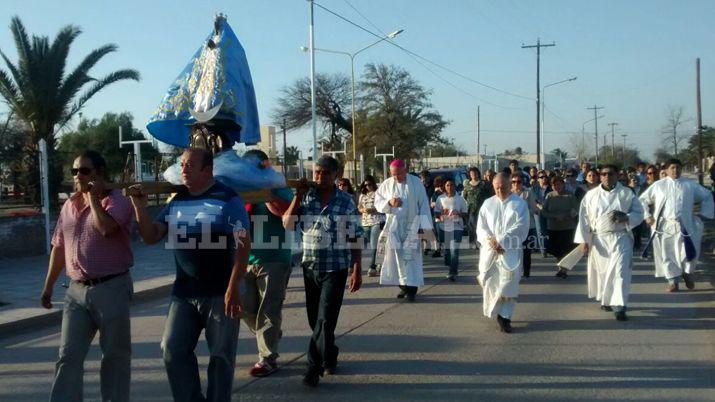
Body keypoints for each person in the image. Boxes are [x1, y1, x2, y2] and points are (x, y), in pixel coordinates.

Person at [129, 148, 250, 402]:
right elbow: (151, 236)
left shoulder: (227, 199)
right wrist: (140, 208)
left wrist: (234, 286)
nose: (183, 169)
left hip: (220, 293)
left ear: (208, 170)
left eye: (190, 165)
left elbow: (243, 245)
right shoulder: (177, 202)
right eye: (182, 164)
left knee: (220, 357)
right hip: (184, 293)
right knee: (172, 349)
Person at [41, 151, 134, 402]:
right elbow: (59, 247)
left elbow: (105, 228)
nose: (77, 176)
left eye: (84, 170)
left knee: (114, 356)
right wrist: (48, 286)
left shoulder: (118, 201)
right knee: (68, 356)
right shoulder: (69, 206)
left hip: (111, 287)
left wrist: (93, 197)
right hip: (76, 291)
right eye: (74, 171)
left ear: (99, 173)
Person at [283, 155, 363, 387]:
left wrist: (356, 268)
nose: (320, 177)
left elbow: (355, 236)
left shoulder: (346, 201)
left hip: (335, 269)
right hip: (310, 267)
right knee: (314, 321)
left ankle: (312, 368)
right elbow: (287, 224)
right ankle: (330, 353)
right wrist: (297, 196)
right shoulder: (306, 198)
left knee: (325, 320)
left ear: (336, 175)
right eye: (317, 172)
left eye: (326, 173)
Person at [238, 150, 294, 378]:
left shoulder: (277, 184)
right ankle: (271, 333)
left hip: (274, 258)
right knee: (243, 307)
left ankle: (267, 358)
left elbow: (288, 216)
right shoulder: (239, 188)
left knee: (269, 309)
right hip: (245, 258)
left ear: (264, 165)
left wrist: (269, 196)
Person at [574, 165, 644, 321]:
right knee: (604, 273)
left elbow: (639, 213)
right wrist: (584, 240)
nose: (606, 176)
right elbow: (584, 219)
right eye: (603, 174)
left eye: (610, 174)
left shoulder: (626, 193)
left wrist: (626, 217)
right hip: (599, 239)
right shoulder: (591, 195)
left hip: (621, 237)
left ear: (617, 175)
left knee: (620, 272)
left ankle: (619, 305)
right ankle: (607, 300)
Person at [639, 158, 714, 292]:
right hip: (665, 226)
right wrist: (647, 216)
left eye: (678, 167)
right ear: (666, 170)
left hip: (686, 224)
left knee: (688, 252)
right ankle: (673, 281)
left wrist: (703, 213)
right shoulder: (659, 185)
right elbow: (642, 200)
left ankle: (687, 273)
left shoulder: (690, 185)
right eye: (672, 168)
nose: (675, 170)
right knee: (668, 254)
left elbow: (707, 196)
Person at [476, 172, 530, 333]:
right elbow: (481, 226)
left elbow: (521, 226)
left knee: (508, 284)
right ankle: (496, 309)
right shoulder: (487, 204)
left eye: (503, 187)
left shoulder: (519, 204)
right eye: (497, 187)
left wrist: (503, 241)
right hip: (490, 251)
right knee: (490, 282)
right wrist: (490, 240)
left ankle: (505, 317)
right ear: (493, 186)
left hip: (510, 251)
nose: (500, 190)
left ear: (510, 185)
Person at [374, 159, 433, 302]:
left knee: (410, 257)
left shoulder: (416, 183)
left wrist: (424, 229)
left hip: (412, 225)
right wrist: (389, 202)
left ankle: (411, 289)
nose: (396, 177)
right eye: (393, 174)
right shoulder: (387, 184)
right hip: (394, 226)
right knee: (396, 257)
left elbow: (424, 205)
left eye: (398, 174)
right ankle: (403, 286)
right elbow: (378, 201)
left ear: (404, 171)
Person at [541, 175, 579, 278]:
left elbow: (576, 210)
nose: (556, 186)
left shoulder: (570, 196)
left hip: (567, 227)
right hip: (553, 227)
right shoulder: (549, 196)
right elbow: (544, 212)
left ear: (563, 184)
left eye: (559, 184)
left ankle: (563, 270)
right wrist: (555, 216)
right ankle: (561, 267)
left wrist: (566, 216)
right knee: (557, 251)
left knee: (566, 250)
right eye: (554, 184)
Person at [434, 178, 469, 281]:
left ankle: (452, 272)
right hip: (444, 227)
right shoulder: (440, 198)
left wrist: (458, 213)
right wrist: (441, 214)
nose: (450, 187)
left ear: (454, 186)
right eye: (447, 185)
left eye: (451, 185)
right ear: (444, 187)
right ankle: (450, 264)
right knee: (447, 251)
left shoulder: (460, 199)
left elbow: (465, 213)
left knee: (454, 250)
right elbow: (436, 212)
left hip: (457, 227)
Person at [511, 172, 538, 278]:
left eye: (518, 182)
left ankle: (526, 272)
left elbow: (534, 209)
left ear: (522, 182)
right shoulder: (508, 193)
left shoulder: (528, 193)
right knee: (513, 250)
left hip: (527, 226)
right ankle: (514, 271)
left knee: (526, 250)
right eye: (513, 182)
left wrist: (523, 211)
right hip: (512, 227)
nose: (516, 184)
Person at [358, 175, 385, 277]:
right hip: (365, 222)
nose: (367, 187)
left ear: (373, 183)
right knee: (375, 245)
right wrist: (362, 210)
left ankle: (372, 266)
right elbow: (359, 206)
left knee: (374, 245)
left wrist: (373, 210)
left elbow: (382, 207)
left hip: (376, 221)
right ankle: (380, 262)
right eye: (365, 185)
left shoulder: (378, 194)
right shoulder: (362, 195)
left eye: (369, 184)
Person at [461, 167, 486, 248]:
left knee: (480, 225)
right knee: (472, 225)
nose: (473, 175)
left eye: (475, 173)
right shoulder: (467, 184)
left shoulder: (482, 184)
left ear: (478, 173)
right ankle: (473, 242)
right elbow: (464, 196)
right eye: (472, 173)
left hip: (481, 208)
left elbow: (487, 195)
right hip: (471, 208)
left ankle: (480, 241)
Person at [430, 176, 445, 257]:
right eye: (438, 186)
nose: (440, 187)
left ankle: (446, 249)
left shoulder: (447, 193)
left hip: (446, 217)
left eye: (441, 185)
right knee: (436, 234)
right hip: (437, 216)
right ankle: (437, 250)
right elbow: (432, 204)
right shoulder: (435, 194)